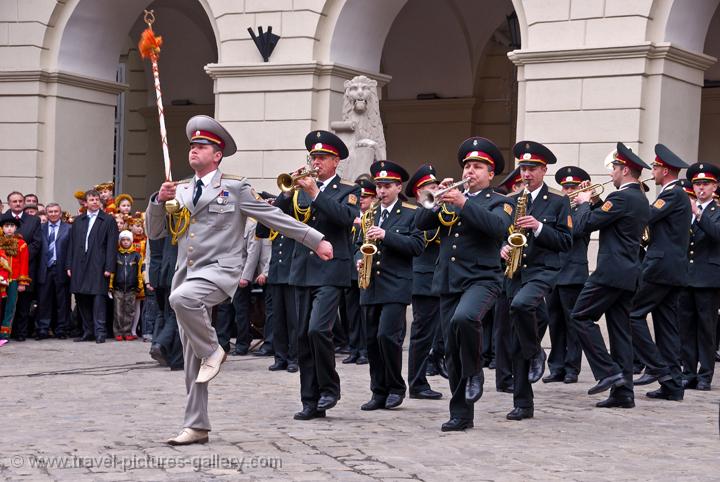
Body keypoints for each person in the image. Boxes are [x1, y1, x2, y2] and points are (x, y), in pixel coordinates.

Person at [146, 115, 331, 446]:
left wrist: (314, 239)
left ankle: (215, 348)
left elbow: (272, 216)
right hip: (187, 274)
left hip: (220, 272)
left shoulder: (234, 188)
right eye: (192, 146)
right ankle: (196, 425)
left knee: (182, 304)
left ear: (217, 155)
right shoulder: (182, 189)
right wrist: (158, 202)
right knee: (193, 360)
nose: (194, 150)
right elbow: (157, 232)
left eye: (201, 146)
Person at [416, 137, 513, 431]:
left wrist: (464, 203)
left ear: (490, 173)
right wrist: (435, 196)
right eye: (467, 166)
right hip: (449, 281)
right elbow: (420, 223)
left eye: (478, 167)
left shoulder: (501, 201)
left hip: (483, 278)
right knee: (452, 347)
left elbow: (498, 228)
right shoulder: (450, 198)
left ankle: (475, 373)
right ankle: (461, 413)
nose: (470, 171)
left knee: (465, 319)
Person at [274, 130, 360, 421]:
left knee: (317, 330)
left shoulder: (349, 190)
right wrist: (288, 190)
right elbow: (279, 215)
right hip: (302, 269)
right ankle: (310, 400)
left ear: (336, 162)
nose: (316, 162)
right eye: (313, 157)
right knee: (302, 337)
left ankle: (329, 387)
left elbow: (345, 219)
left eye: (322, 157)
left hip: (332, 269)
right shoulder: (299, 189)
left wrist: (315, 192)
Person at [571, 143, 651, 408]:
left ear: (625, 169)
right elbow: (612, 218)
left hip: (610, 272)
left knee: (580, 316)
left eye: (614, 168)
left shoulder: (622, 197)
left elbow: (585, 225)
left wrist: (582, 204)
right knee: (620, 333)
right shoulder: (638, 197)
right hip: (628, 272)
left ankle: (606, 371)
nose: (611, 174)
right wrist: (594, 200)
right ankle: (623, 393)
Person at [501, 141, 572, 421]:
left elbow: (565, 241)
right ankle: (523, 404)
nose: (526, 174)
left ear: (544, 170)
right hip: (515, 271)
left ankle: (536, 354)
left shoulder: (557, 201)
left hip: (543, 271)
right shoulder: (511, 201)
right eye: (523, 168)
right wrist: (502, 247)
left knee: (521, 306)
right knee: (516, 338)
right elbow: (499, 233)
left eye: (532, 169)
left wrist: (539, 226)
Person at [357, 160, 424, 411]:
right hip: (371, 284)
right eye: (379, 186)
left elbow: (417, 246)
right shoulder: (370, 213)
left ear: (398, 187)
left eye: (386, 186)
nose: (381, 191)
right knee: (372, 341)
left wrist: (387, 235)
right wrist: (358, 260)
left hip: (396, 284)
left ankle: (396, 387)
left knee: (388, 336)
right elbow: (358, 243)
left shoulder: (411, 212)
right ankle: (378, 390)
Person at [630, 144, 690, 402]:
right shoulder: (675, 194)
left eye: (654, 167)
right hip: (671, 267)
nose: (652, 171)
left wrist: (631, 197)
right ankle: (672, 385)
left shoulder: (673, 194)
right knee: (666, 327)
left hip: (660, 266)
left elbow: (648, 215)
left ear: (664, 170)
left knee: (631, 314)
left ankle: (655, 366)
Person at [543, 166, 598, 384]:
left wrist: (590, 199)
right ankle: (556, 366)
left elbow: (576, 231)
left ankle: (572, 367)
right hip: (554, 272)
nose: (568, 191)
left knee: (573, 323)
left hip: (574, 273)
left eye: (572, 187)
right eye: (565, 187)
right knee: (554, 321)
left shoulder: (584, 210)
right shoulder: (557, 209)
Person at [678, 162, 720, 391]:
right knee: (686, 327)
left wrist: (699, 215)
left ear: (715, 186)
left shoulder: (716, 211)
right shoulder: (687, 211)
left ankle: (705, 375)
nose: (700, 188)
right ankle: (689, 372)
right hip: (686, 276)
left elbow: (716, 235)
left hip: (708, 277)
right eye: (697, 184)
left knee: (706, 328)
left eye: (705, 184)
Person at [405, 164, 444, 400]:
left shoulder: (438, 209)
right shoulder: (414, 213)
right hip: (424, 280)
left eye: (436, 185)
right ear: (419, 192)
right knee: (422, 334)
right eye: (431, 187)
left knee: (441, 331)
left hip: (442, 277)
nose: (436, 189)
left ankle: (438, 363)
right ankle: (417, 383)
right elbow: (427, 237)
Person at [66, 189, 119, 343]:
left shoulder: (108, 220)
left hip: (98, 264)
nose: (95, 202)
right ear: (85, 203)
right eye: (91, 199)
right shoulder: (78, 221)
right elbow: (72, 244)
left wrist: (109, 267)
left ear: (100, 202)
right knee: (81, 297)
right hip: (79, 264)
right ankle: (88, 331)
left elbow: (111, 245)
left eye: (97, 199)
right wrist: (69, 264)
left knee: (98, 298)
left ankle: (100, 332)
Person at [342, 177, 375, 366]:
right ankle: (353, 348)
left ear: (373, 199)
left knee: (365, 314)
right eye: (360, 197)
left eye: (366, 197)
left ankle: (365, 350)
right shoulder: (350, 216)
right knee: (351, 313)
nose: (362, 200)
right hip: (349, 270)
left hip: (365, 270)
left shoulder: (373, 217)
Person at [5, 191, 42, 341]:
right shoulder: (2, 218)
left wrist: (21, 255)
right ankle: (5, 332)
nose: (18, 203)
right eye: (14, 201)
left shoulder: (34, 220)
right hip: (4, 269)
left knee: (23, 304)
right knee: (5, 302)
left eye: (20, 201)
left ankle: (21, 333)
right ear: (9, 203)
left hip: (26, 268)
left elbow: (36, 243)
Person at [35, 203, 72, 339]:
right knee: (43, 301)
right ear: (46, 213)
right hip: (44, 269)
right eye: (50, 211)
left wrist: (69, 266)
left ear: (60, 213)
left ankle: (62, 329)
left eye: (56, 211)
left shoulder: (68, 228)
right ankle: (43, 329)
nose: (53, 214)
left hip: (61, 268)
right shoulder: (40, 228)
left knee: (62, 302)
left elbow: (71, 250)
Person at [0, 215, 30, 346]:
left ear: (16, 228)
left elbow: (24, 263)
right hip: (0, 280)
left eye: (12, 226)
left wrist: (22, 282)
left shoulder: (21, 244)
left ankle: (4, 334)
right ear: (2, 228)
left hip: (13, 281)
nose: (9, 229)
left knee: (10, 307)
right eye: (7, 226)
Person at [109, 230, 143, 341]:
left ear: (131, 241)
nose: (125, 242)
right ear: (120, 241)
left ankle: (127, 331)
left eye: (128, 240)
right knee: (118, 311)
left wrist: (140, 285)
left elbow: (139, 272)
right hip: (118, 288)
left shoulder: (136, 256)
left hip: (131, 288)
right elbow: (112, 272)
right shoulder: (116, 255)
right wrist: (110, 286)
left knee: (129, 311)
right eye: (123, 240)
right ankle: (118, 332)